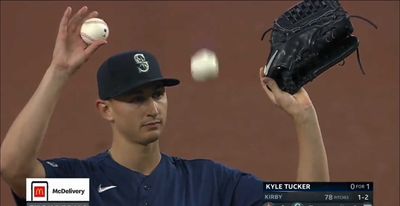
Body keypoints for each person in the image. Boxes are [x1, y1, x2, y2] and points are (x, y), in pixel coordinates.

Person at [0, 6, 329, 206]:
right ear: (105, 110)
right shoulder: (81, 190)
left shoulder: (210, 186)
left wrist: (304, 117)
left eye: (158, 94)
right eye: (136, 98)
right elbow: (13, 168)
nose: (152, 107)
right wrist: (58, 72)